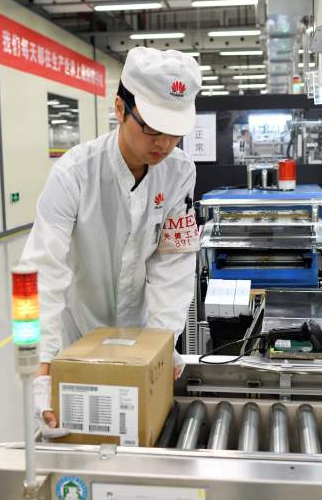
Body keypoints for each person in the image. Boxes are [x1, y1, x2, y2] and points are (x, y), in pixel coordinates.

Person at [19, 47, 202, 432]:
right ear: (120, 109)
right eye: (152, 127)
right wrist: (43, 367)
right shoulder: (74, 175)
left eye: (175, 132)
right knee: (70, 439)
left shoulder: (179, 172)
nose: (165, 144)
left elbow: (173, 263)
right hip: (73, 334)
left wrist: (162, 343)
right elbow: (43, 272)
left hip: (140, 334)